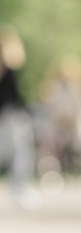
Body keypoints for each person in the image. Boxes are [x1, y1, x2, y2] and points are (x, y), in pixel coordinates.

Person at [0, 25, 39, 208]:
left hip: (11, 116)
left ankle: (20, 188)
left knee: (21, 151)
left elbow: (14, 96)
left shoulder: (10, 69)